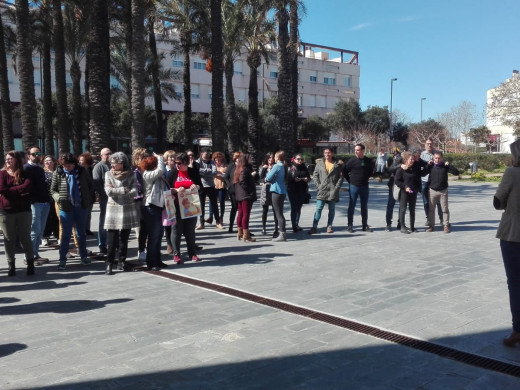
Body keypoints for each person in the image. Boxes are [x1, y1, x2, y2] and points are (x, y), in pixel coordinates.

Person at [494, 139, 520, 347]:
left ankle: (518, 329)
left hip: (514, 234)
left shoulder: (512, 173)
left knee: (515, 283)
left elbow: (498, 201)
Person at [51, 153, 93, 270]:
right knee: (65, 234)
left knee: (81, 234)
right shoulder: (58, 173)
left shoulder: (82, 171)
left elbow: (90, 185)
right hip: (65, 207)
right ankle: (62, 259)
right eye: (64, 165)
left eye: (69, 166)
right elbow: (53, 190)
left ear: (74, 164)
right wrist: (59, 198)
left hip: (81, 206)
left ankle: (83, 257)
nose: (66, 168)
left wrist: (88, 198)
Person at [0, 150, 35, 276]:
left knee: (25, 238)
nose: (8, 160)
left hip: (23, 210)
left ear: (17, 160)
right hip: (6, 211)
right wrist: (19, 192)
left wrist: (11, 191)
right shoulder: (2, 174)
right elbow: (2, 189)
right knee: (8, 239)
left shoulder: (25, 172)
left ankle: (31, 264)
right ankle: (11, 266)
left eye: (11, 158)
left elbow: (27, 187)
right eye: (7, 158)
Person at [103, 152, 139, 274]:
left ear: (122, 163)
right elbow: (108, 191)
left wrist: (119, 191)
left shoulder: (131, 174)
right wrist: (124, 190)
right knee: (112, 239)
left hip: (127, 209)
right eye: (111, 162)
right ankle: (109, 263)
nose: (112, 165)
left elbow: (135, 190)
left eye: (115, 163)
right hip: (113, 209)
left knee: (124, 238)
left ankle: (122, 262)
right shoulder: (108, 174)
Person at [166, 152, 202, 264]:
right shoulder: (173, 173)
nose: (177, 165)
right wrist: (175, 190)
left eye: (179, 163)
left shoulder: (192, 172)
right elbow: (167, 189)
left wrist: (196, 186)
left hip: (190, 205)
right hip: (176, 205)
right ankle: (176, 254)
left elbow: (200, 186)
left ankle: (192, 253)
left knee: (190, 230)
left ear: (185, 163)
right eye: (175, 163)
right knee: (176, 229)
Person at [140, 153, 167, 271]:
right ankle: (151, 262)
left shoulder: (155, 175)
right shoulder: (148, 174)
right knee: (153, 236)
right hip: (151, 207)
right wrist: (160, 157)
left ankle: (157, 260)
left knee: (159, 235)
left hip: (158, 206)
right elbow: (161, 169)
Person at [24, 146, 50, 265]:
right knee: (34, 230)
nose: (38, 155)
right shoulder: (26, 168)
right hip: (35, 204)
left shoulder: (40, 168)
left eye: (39, 153)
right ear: (28, 156)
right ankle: (29, 257)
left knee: (40, 231)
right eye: (34, 154)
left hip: (44, 202)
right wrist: (32, 201)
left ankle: (35, 254)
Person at [308, 148, 344, 235]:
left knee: (332, 210)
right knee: (318, 209)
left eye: (329, 153)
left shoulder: (338, 164)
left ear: (332, 153)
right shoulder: (320, 163)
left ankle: (329, 226)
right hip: (322, 190)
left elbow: (341, 177)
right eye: (325, 153)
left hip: (332, 190)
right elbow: (315, 175)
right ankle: (314, 227)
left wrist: (336, 188)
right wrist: (318, 186)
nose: (327, 154)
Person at [424, 151, 460, 233]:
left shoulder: (445, 166)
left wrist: (449, 165)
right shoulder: (431, 166)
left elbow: (456, 173)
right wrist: (428, 165)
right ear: (433, 158)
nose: (437, 160)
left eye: (439, 158)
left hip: (443, 191)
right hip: (432, 190)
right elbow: (423, 173)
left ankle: (446, 226)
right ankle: (431, 226)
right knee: (431, 210)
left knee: (444, 209)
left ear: (442, 158)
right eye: (435, 158)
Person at [344, 143, 375, 233]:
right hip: (354, 186)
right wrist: (350, 180)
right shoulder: (352, 161)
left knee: (364, 206)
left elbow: (371, 171)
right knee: (352, 206)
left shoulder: (368, 161)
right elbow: (345, 170)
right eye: (355, 150)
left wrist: (366, 178)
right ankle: (350, 225)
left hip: (364, 186)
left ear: (362, 151)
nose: (356, 151)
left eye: (357, 150)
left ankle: (364, 225)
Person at [394, 149, 426, 234]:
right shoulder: (402, 169)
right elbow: (397, 181)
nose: (412, 161)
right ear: (406, 160)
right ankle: (402, 226)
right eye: (410, 159)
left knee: (412, 209)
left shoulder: (415, 168)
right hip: (404, 192)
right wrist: (405, 187)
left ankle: (412, 227)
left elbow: (419, 176)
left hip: (413, 191)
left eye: (413, 159)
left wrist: (418, 188)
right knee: (403, 209)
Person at [92, 147, 112, 254]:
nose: (109, 155)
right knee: (103, 221)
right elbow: (97, 184)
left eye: (110, 153)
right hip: (105, 199)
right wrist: (105, 195)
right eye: (106, 154)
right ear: (101, 156)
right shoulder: (98, 167)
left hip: (115, 199)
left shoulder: (114, 165)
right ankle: (102, 244)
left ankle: (113, 243)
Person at [234, 154, 257, 242]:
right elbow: (243, 181)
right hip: (245, 195)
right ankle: (246, 235)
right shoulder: (244, 169)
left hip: (240, 195)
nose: (251, 159)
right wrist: (249, 191)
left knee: (241, 213)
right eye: (250, 158)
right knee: (245, 214)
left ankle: (240, 232)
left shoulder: (239, 169)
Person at [196, 148, 221, 230]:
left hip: (210, 185)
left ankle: (218, 222)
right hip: (201, 186)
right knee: (201, 206)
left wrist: (203, 173)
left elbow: (214, 172)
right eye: (205, 154)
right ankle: (201, 223)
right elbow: (197, 171)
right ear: (201, 154)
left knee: (214, 204)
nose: (207, 156)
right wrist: (208, 171)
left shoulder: (212, 162)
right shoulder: (197, 162)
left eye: (208, 154)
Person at [266, 150, 287, 242]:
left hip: (276, 191)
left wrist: (269, 173)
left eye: (275, 156)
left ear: (278, 157)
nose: (274, 158)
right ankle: (282, 232)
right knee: (280, 213)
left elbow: (268, 177)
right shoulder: (284, 166)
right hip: (282, 191)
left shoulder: (276, 166)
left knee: (278, 213)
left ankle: (282, 234)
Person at [420, 139, 442, 226]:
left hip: (435, 182)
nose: (429, 145)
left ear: (433, 144)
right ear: (425, 145)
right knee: (426, 202)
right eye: (427, 144)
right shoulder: (422, 155)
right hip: (425, 181)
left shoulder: (437, 154)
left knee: (439, 202)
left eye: (430, 144)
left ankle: (442, 219)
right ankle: (429, 219)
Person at [132, 147, 148, 263]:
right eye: (144, 157)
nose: (146, 159)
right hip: (138, 201)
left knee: (146, 227)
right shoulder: (135, 172)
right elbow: (138, 188)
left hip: (147, 201)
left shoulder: (146, 170)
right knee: (140, 227)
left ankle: (145, 248)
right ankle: (141, 250)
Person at [287, 154, 310, 233]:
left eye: (301, 159)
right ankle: (294, 225)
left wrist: (307, 179)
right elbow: (287, 179)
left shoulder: (304, 167)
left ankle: (296, 224)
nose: (300, 160)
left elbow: (308, 177)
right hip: (292, 190)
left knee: (299, 207)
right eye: (298, 159)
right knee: (294, 208)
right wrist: (294, 179)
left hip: (302, 190)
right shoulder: (291, 168)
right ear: (294, 159)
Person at [259, 153, 278, 236]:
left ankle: (276, 228)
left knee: (275, 210)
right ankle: (263, 227)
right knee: (265, 209)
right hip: (265, 189)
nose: (270, 159)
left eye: (272, 158)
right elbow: (261, 177)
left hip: (274, 188)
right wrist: (264, 169)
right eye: (269, 158)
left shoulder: (276, 167)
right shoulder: (263, 167)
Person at [207, 151, 227, 229]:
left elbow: (226, 175)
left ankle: (221, 217)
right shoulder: (212, 165)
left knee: (222, 202)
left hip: (222, 186)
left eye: (219, 160)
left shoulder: (225, 166)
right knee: (212, 201)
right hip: (213, 186)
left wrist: (220, 173)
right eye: (216, 160)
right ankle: (211, 216)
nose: (218, 161)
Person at [223, 151, 241, 233]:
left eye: (240, 157)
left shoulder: (244, 166)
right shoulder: (231, 166)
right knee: (234, 208)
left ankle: (242, 228)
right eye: (237, 157)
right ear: (235, 158)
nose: (239, 159)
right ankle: (230, 226)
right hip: (233, 190)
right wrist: (229, 185)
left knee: (242, 209)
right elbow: (226, 177)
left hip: (242, 190)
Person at [42, 155, 59, 245]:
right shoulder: (42, 172)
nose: (47, 162)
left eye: (49, 160)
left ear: (53, 162)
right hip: (46, 199)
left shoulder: (57, 172)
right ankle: (45, 236)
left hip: (56, 199)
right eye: (46, 160)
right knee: (47, 218)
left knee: (56, 218)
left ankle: (58, 236)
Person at [385, 148, 402, 232]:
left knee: (402, 205)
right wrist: (399, 165)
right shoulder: (392, 159)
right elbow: (389, 169)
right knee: (390, 204)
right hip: (393, 184)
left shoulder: (405, 159)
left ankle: (400, 223)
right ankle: (388, 224)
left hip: (402, 184)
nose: (395, 153)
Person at [78, 152, 95, 236]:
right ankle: (80, 229)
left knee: (88, 213)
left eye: (82, 160)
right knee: (80, 214)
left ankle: (87, 228)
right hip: (80, 195)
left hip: (90, 195)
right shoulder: (78, 170)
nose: (80, 162)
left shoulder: (92, 170)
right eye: (79, 160)